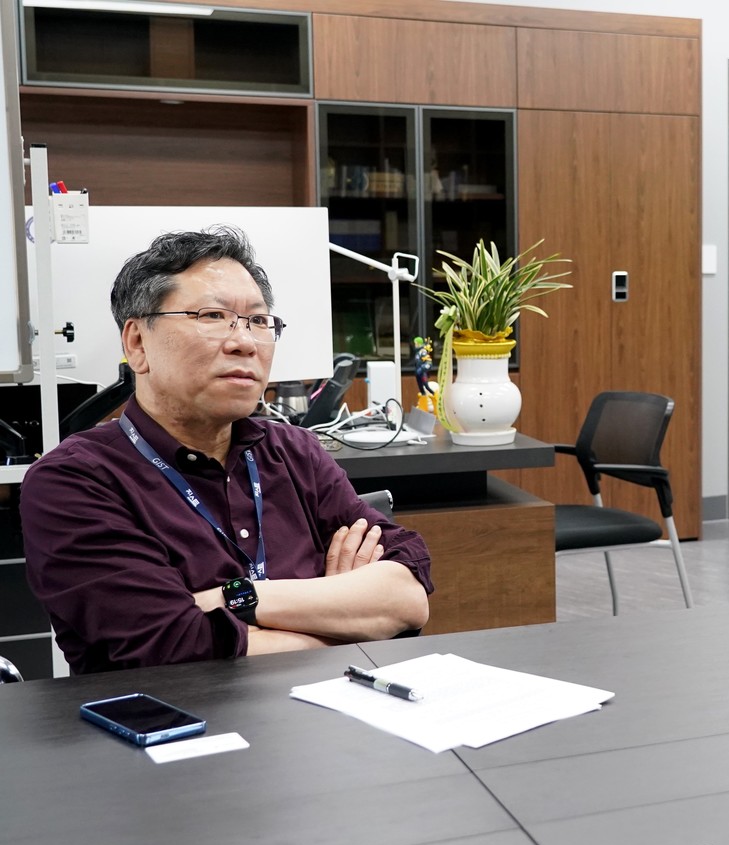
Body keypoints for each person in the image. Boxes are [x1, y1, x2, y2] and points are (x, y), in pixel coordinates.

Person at [20, 227, 432, 674]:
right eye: (212, 316)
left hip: (324, 723)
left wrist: (234, 599)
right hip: (175, 730)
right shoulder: (74, 481)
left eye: (258, 321)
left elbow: (408, 596)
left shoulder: (292, 451)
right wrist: (341, 617)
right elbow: (171, 646)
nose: (245, 342)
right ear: (138, 343)